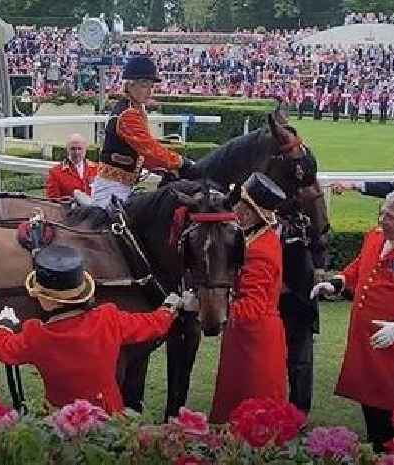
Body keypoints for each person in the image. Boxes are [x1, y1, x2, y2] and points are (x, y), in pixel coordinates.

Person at [310, 190, 394, 452]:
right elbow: (360, 265)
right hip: (365, 343)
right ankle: (376, 450)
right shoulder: (375, 237)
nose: (383, 220)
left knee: (391, 418)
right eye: (382, 213)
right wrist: (337, 282)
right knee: (369, 406)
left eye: (391, 217)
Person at [0, 245, 183, 413]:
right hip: (109, 415)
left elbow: (1, 348)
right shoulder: (108, 319)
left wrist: (4, 324)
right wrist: (169, 307)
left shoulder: (36, 335)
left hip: (61, 419)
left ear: (46, 300)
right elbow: (153, 324)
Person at [207, 172, 288, 423]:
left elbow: (252, 307)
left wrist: (213, 307)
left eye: (243, 207)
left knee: (252, 417)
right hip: (246, 337)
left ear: (255, 213)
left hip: (254, 342)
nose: (237, 211)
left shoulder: (261, 250)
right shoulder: (254, 237)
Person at [90, 56, 193, 208]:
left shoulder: (136, 109)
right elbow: (149, 150)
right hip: (111, 188)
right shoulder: (128, 115)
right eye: (145, 85)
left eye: (151, 86)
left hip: (125, 186)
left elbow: (145, 156)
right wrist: (181, 162)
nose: (150, 91)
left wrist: (166, 168)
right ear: (130, 85)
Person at [45, 133, 97, 199]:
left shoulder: (96, 169)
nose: (77, 152)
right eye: (73, 149)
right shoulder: (55, 172)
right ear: (67, 150)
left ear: (85, 149)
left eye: (80, 148)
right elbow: (53, 201)